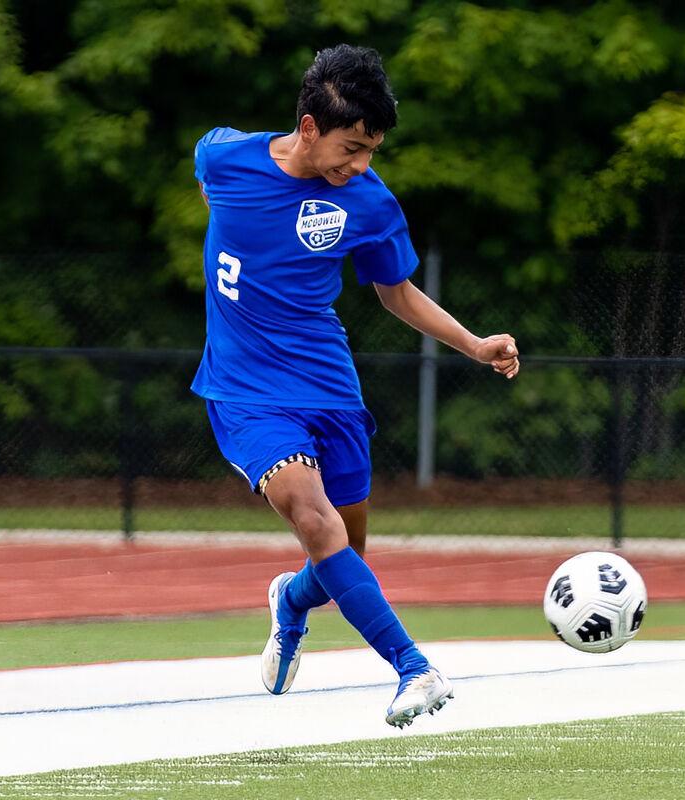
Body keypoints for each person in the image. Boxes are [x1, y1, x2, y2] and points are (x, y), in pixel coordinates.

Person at [191, 44, 520, 728]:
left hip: (330, 386)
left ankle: (290, 601)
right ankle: (415, 668)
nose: (361, 164)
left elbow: (394, 292)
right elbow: (211, 179)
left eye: (372, 150)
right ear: (309, 127)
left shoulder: (367, 202)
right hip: (246, 391)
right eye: (352, 146)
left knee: (344, 556)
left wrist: (474, 344)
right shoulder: (225, 159)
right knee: (315, 519)